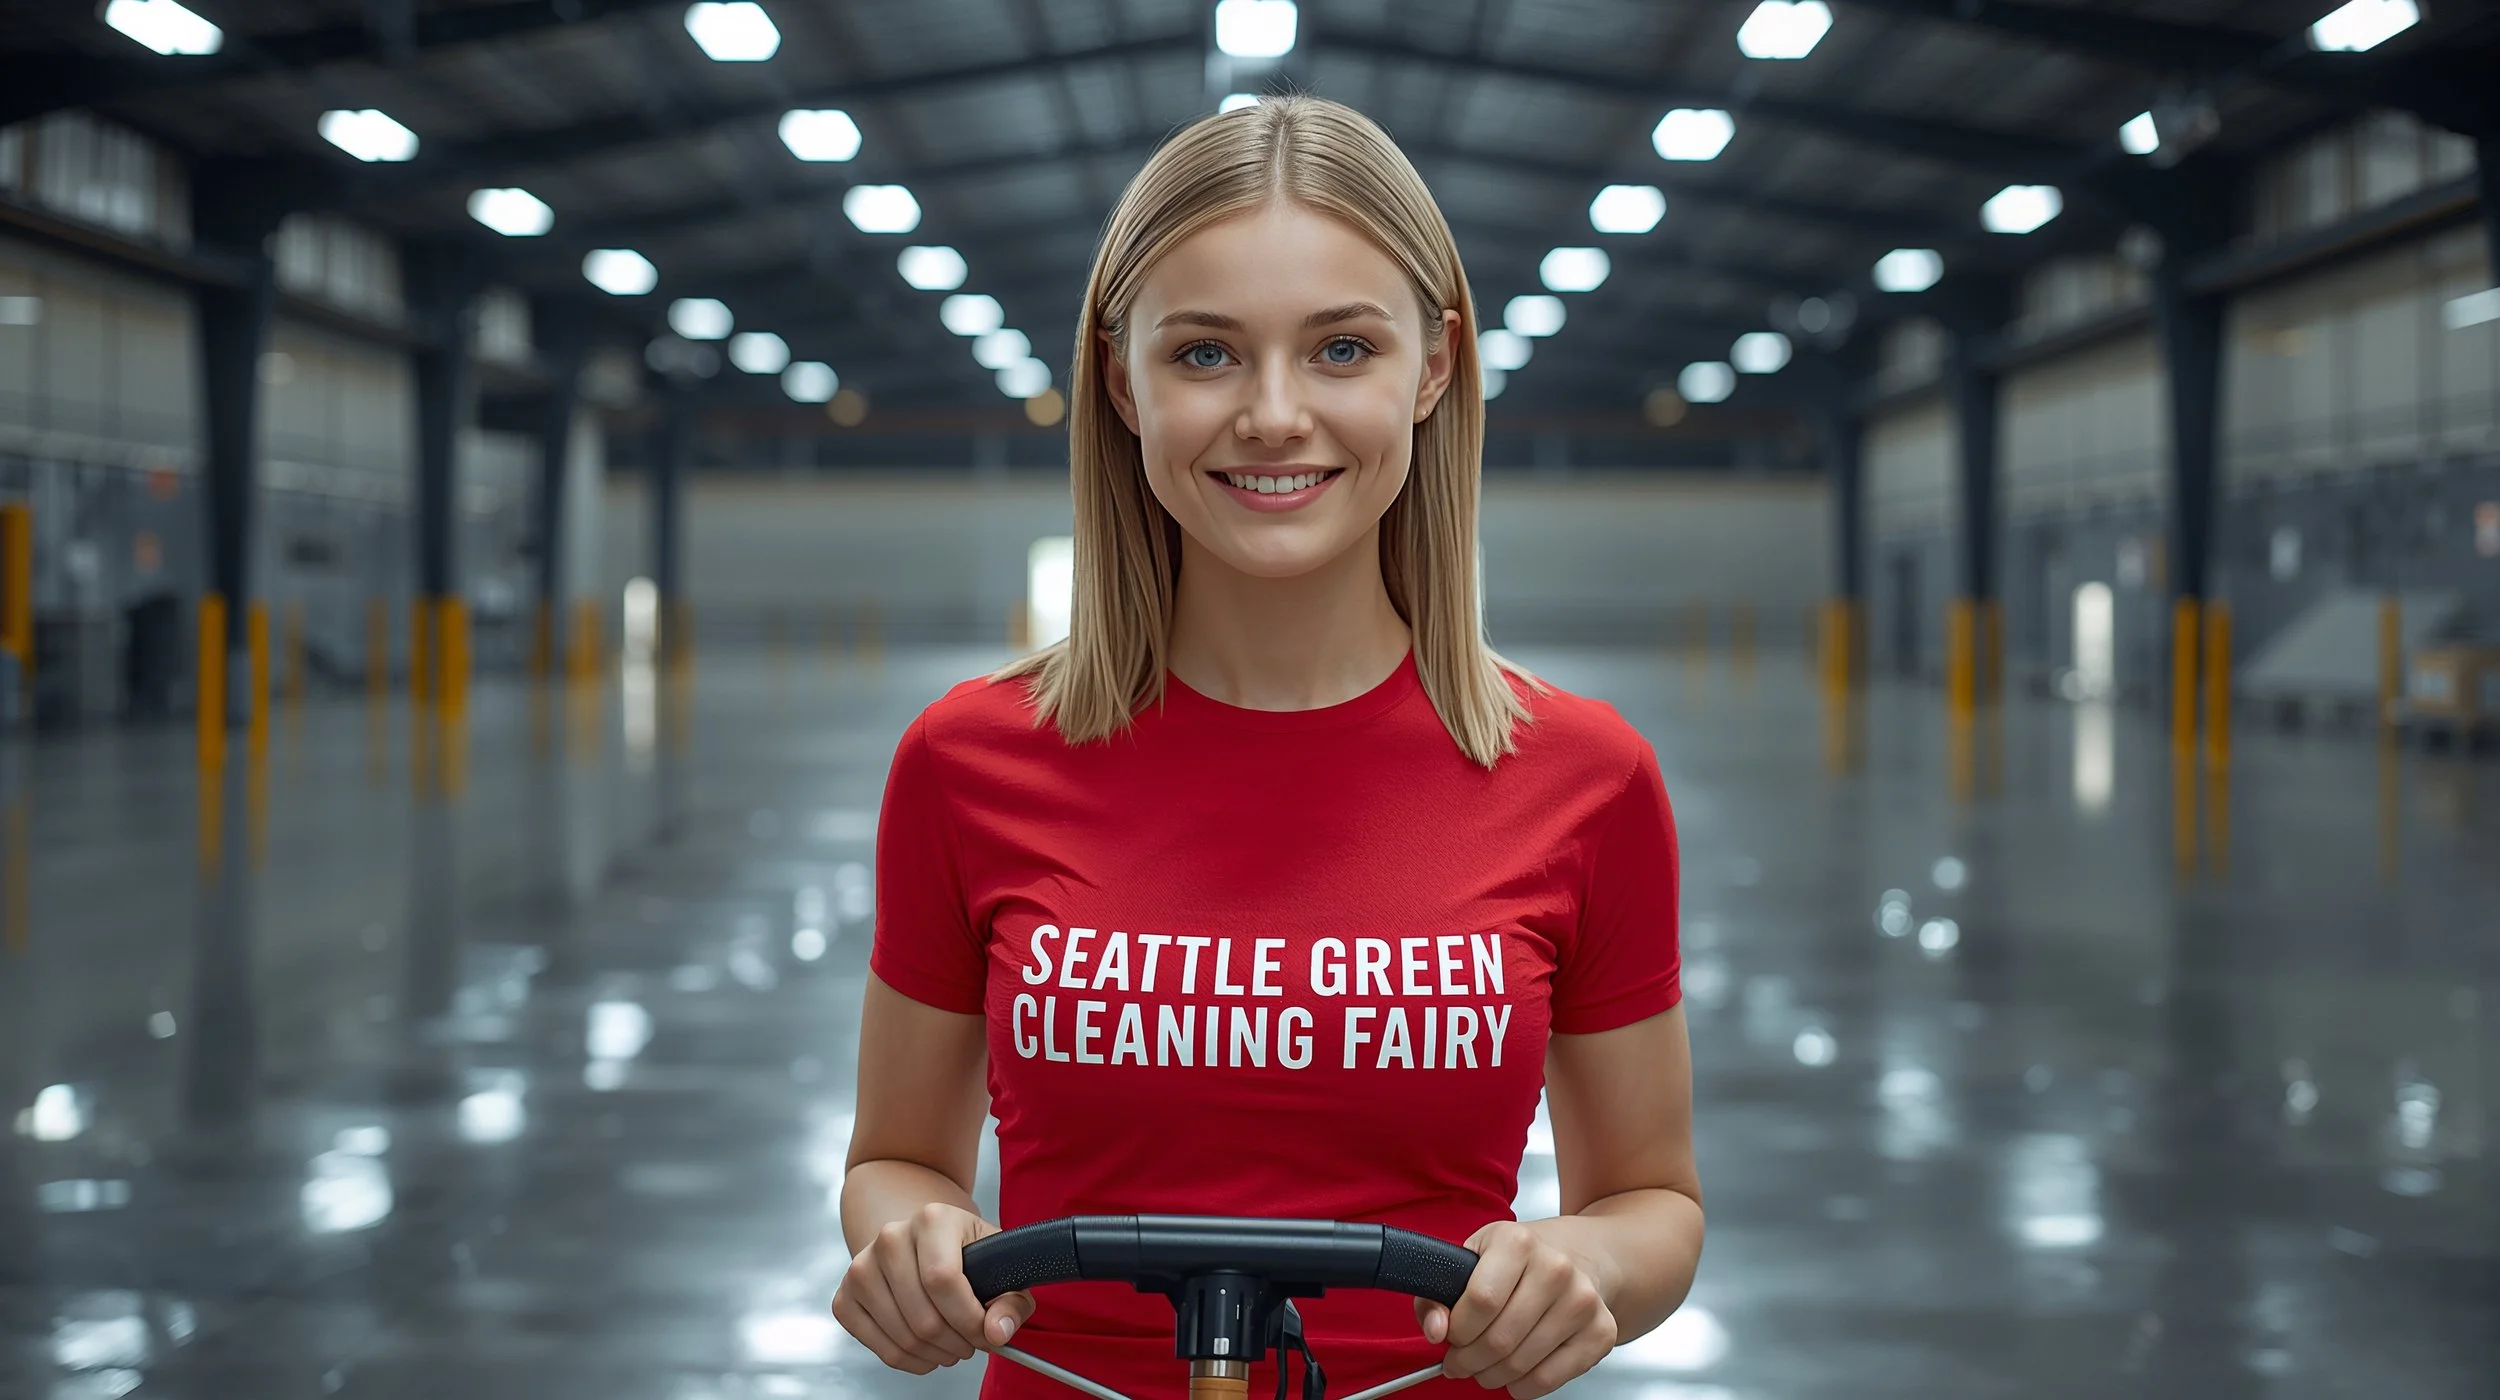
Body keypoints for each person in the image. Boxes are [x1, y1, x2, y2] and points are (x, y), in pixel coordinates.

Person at [835, 94, 1701, 1400]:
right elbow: (894, 1161)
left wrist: (1583, 1268)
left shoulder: (1584, 779)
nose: (1274, 414)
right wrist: (912, 1245)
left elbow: (1652, 1201)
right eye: (1206, 356)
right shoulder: (966, 763)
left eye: (1342, 348)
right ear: (1121, 380)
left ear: (1434, 366)